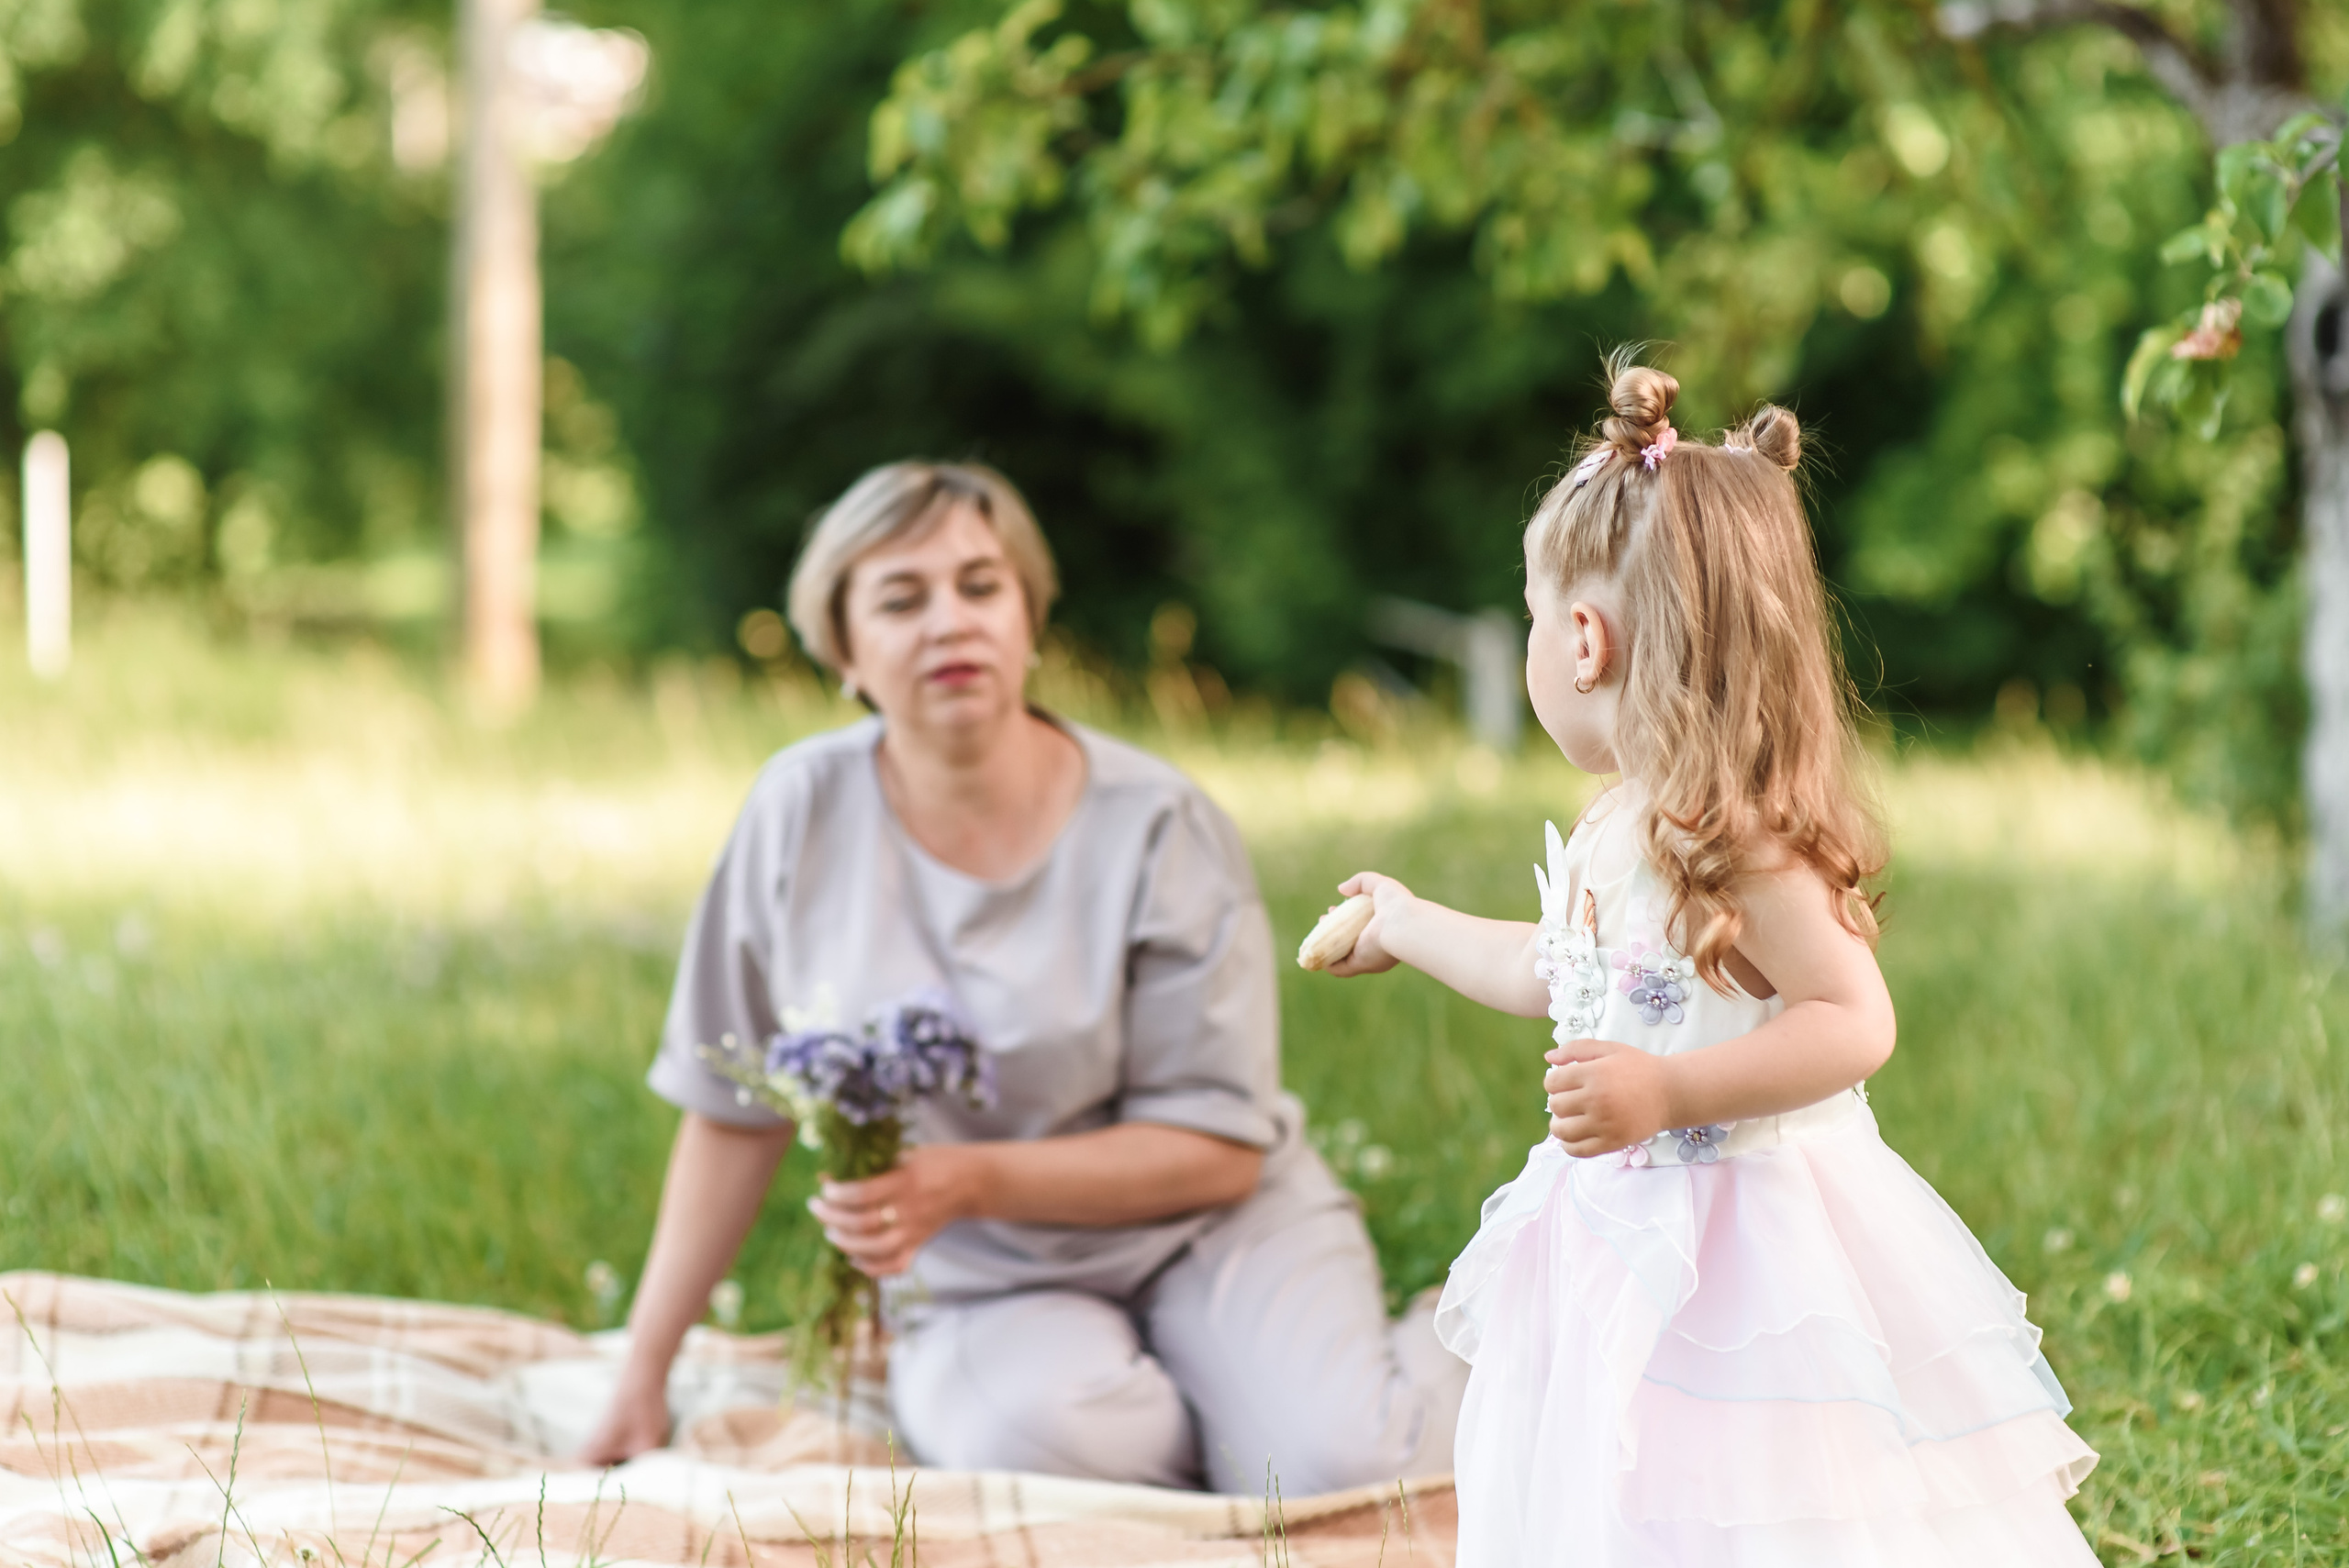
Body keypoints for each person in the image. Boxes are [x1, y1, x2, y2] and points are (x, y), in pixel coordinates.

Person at [1319, 362, 2099, 1562]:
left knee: (1760, 1495)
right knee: (1623, 1477)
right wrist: (1407, 922)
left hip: (1750, 1249)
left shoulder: (1745, 845)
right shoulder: (1616, 824)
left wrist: (1669, 1088)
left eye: (1532, 615)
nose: (1534, 640)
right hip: (1616, 1233)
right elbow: (1553, 970)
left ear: (1584, 641)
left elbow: (1852, 1017)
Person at [575, 460, 1465, 1494]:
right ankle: (1226, 1412)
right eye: (901, 599)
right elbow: (732, 1108)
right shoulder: (796, 811)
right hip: (982, 1277)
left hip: (1218, 1227)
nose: (949, 621)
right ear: (841, 647)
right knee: (1059, 1454)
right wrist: (643, 1371)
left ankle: (1474, 1327)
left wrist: (963, 1177)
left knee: (1342, 1465)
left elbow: (1220, 1150)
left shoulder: (1159, 822)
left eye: (980, 586)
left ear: (1029, 618)